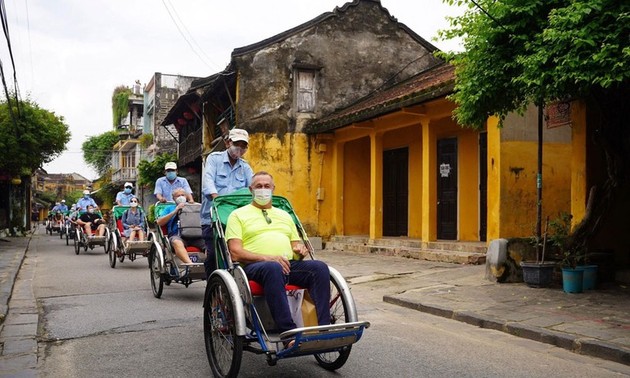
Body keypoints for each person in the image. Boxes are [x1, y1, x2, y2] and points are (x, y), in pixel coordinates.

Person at [225, 171, 330, 335]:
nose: (263, 189)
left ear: (273, 189)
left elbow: (296, 248)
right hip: (254, 267)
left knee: (319, 267)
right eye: (258, 186)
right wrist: (268, 258)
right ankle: (289, 332)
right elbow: (235, 252)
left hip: (287, 264)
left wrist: (300, 251)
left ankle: (324, 328)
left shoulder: (285, 215)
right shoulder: (237, 215)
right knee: (273, 267)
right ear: (251, 190)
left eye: (267, 186)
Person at [201, 128, 254, 277]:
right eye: (237, 143)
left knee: (239, 254)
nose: (240, 148)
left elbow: (253, 187)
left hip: (236, 220)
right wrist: (216, 197)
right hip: (213, 217)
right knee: (213, 255)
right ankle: (212, 288)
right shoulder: (214, 159)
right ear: (227, 143)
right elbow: (208, 181)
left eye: (243, 145)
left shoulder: (245, 167)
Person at [156, 187, 204, 266]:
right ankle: (191, 265)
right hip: (177, 236)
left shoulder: (194, 207)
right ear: (173, 198)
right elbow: (159, 222)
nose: (181, 197)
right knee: (176, 242)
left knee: (210, 244)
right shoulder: (169, 208)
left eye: (183, 195)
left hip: (196, 236)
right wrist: (176, 210)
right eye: (178, 196)